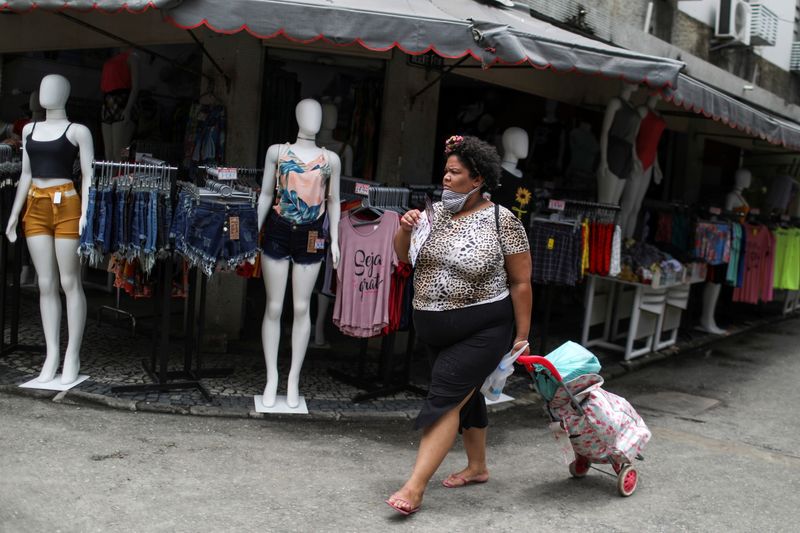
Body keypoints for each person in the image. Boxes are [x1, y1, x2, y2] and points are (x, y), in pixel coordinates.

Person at [386, 135, 532, 515]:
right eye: (445, 172)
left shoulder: (504, 221)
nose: (446, 178)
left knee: (446, 398)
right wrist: (404, 228)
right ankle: (478, 467)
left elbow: (520, 282)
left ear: (477, 178)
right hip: (434, 329)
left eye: (455, 172)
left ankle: (414, 488)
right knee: (468, 397)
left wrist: (521, 336)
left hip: (484, 329)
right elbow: (404, 259)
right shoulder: (432, 214)